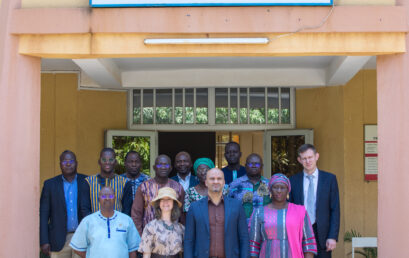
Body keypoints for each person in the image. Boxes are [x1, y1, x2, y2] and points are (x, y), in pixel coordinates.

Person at [184, 168, 250, 258]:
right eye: (212, 179)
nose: (215, 181)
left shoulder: (237, 205)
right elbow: (189, 240)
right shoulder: (194, 207)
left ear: (223, 182)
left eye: (219, 179)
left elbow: (244, 237)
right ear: (206, 182)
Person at [289, 144, 340, 258]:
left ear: (317, 156)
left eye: (310, 157)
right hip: (300, 232)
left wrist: (332, 236)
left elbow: (335, 209)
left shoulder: (329, 179)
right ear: (299, 160)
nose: (308, 161)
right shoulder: (293, 180)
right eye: (304, 158)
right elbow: (290, 209)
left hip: (322, 233)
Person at [249, 173, 317, 258]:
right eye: (275, 187)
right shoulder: (259, 212)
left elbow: (308, 243)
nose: (279, 190)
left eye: (282, 187)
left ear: (288, 190)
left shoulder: (299, 212)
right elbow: (253, 245)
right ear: (270, 190)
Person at [40, 150, 87, 258]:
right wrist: (44, 241)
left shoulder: (87, 181)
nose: (68, 163)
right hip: (58, 240)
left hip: (82, 239)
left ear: (77, 163)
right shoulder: (49, 185)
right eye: (64, 161)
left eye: (71, 160)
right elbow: (43, 215)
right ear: (60, 164)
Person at [70, 186, 140, 258]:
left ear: (115, 199)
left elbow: (132, 249)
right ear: (98, 199)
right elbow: (77, 247)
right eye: (103, 196)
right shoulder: (88, 221)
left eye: (110, 196)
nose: (107, 198)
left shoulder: (127, 220)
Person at [131, 154, 185, 235]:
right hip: (149, 236)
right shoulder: (144, 187)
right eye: (160, 165)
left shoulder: (178, 188)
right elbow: (136, 215)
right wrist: (140, 237)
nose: (163, 167)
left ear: (170, 168)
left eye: (166, 165)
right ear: (154, 167)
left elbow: (182, 215)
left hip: (172, 237)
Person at [80, 148, 132, 216]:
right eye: (104, 160)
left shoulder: (125, 183)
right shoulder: (88, 182)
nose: (107, 162)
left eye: (111, 160)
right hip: (94, 225)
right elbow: (85, 209)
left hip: (118, 225)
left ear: (115, 162)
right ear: (99, 162)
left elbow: (127, 210)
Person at [139, 187, 185, 258]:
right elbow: (146, 254)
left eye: (169, 199)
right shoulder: (150, 227)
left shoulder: (181, 228)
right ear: (159, 203)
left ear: (174, 203)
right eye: (162, 199)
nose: (165, 202)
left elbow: (182, 254)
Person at [228, 153, 271, 221]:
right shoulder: (235, 184)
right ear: (245, 166)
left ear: (262, 167)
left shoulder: (269, 185)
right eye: (250, 164)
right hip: (241, 228)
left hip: (264, 228)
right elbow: (228, 207)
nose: (254, 166)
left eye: (257, 164)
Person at [120, 151, 150, 215]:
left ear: (141, 164)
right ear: (125, 163)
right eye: (131, 162)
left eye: (137, 162)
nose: (134, 164)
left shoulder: (148, 181)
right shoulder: (119, 181)